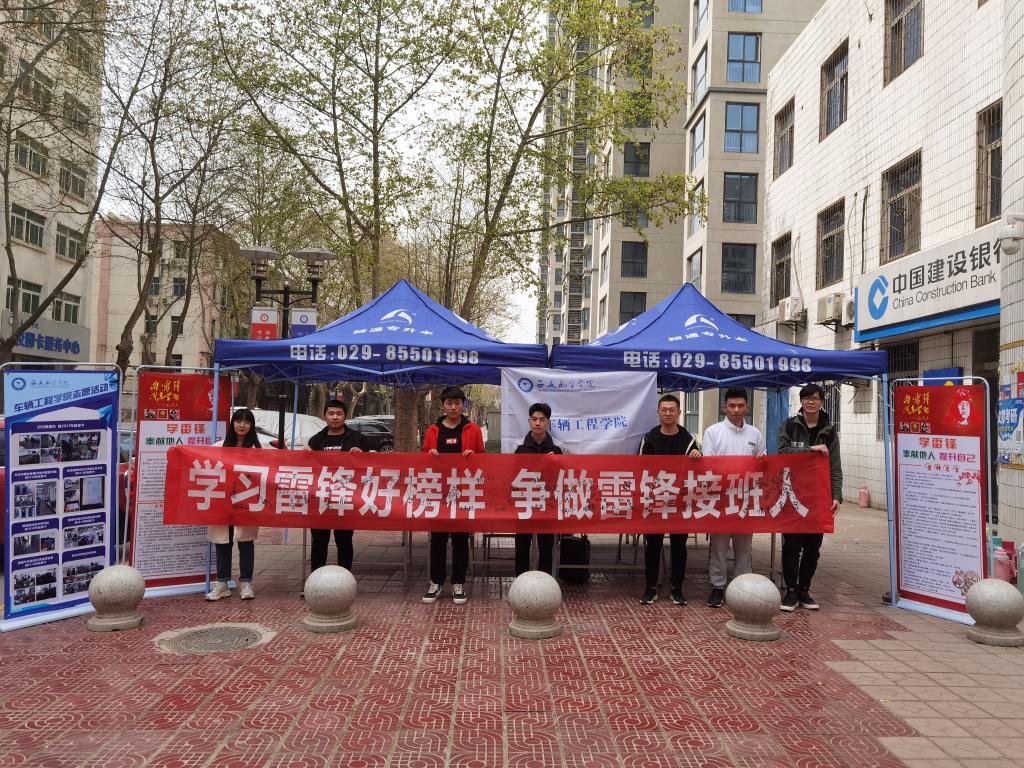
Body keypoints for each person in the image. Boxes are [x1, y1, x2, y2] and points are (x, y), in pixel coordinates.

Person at [777, 383, 842, 612]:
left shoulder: (829, 431)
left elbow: (835, 466)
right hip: (793, 494)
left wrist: (836, 495)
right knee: (792, 546)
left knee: (813, 548)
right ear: (801, 402)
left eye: (815, 398)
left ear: (822, 402)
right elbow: (782, 453)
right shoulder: (789, 426)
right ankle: (791, 591)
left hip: (818, 497)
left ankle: (804, 589)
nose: (811, 401)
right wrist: (811, 450)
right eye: (806, 398)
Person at [701, 387, 765, 608]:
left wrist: (762, 460)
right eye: (732, 406)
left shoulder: (755, 434)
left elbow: (762, 463)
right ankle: (717, 587)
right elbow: (708, 464)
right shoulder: (713, 432)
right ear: (724, 407)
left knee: (744, 546)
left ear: (747, 407)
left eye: (740, 406)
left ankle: (741, 585)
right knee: (719, 545)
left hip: (746, 498)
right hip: (720, 498)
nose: (736, 410)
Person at [421, 386, 484, 604]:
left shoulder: (473, 430)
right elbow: (422, 457)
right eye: (449, 403)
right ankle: (436, 582)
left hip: (463, 492)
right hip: (438, 492)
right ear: (443, 406)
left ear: (463, 405)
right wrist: (428, 455)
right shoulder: (433, 430)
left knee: (460, 540)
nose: (454, 407)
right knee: (437, 539)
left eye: (458, 403)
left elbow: (483, 458)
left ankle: (458, 583)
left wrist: (474, 456)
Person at [639, 394, 702, 606]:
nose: (667, 413)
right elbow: (639, 469)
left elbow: (699, 469)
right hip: (655, 501)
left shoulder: (689, 440)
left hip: (680, 502)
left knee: (679, 546)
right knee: (653, 546)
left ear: (679, 413)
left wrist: (697, 455)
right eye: (664, 410)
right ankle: (650, 588)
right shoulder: (648, 439)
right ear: (658, 413)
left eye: (671, 410)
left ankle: (677, 588)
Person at [304, 399, 367, 574]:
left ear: (346, 416)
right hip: (321, 499)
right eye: (331, 413)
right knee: (319, 542)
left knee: (344, 541)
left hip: (346, 499)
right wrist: (305, 454)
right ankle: (316, 578)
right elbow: (308, 469)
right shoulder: (316, 440)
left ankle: (345, 578)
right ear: (324, 416)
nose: (335, 417)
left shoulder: (358, 439)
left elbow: (370, 468)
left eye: (339, 414)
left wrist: (363, 455)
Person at [206, 408, 261, 601]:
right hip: (222, 501)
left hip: (246, 501)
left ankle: (246, 583)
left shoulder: (257, 450)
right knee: (222, 542)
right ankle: (222, 583)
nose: (242, 425)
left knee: (246, 542)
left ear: (251, 425)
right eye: (238, 421)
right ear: (233, 423)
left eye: (247, 422)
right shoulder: (218, 446)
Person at [513, 403, 562, 576]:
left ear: (548, 422)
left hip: (547, 503)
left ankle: (545, 581)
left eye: (542, 419)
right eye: (534, 419)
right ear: (529, 421)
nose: (538, 423)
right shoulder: (518, 445)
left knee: (546, 546)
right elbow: (510, 473)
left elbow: (565, 476)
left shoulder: (558, 447)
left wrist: (557, 462)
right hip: (524, 501)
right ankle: (520, 580)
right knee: (522, 545)